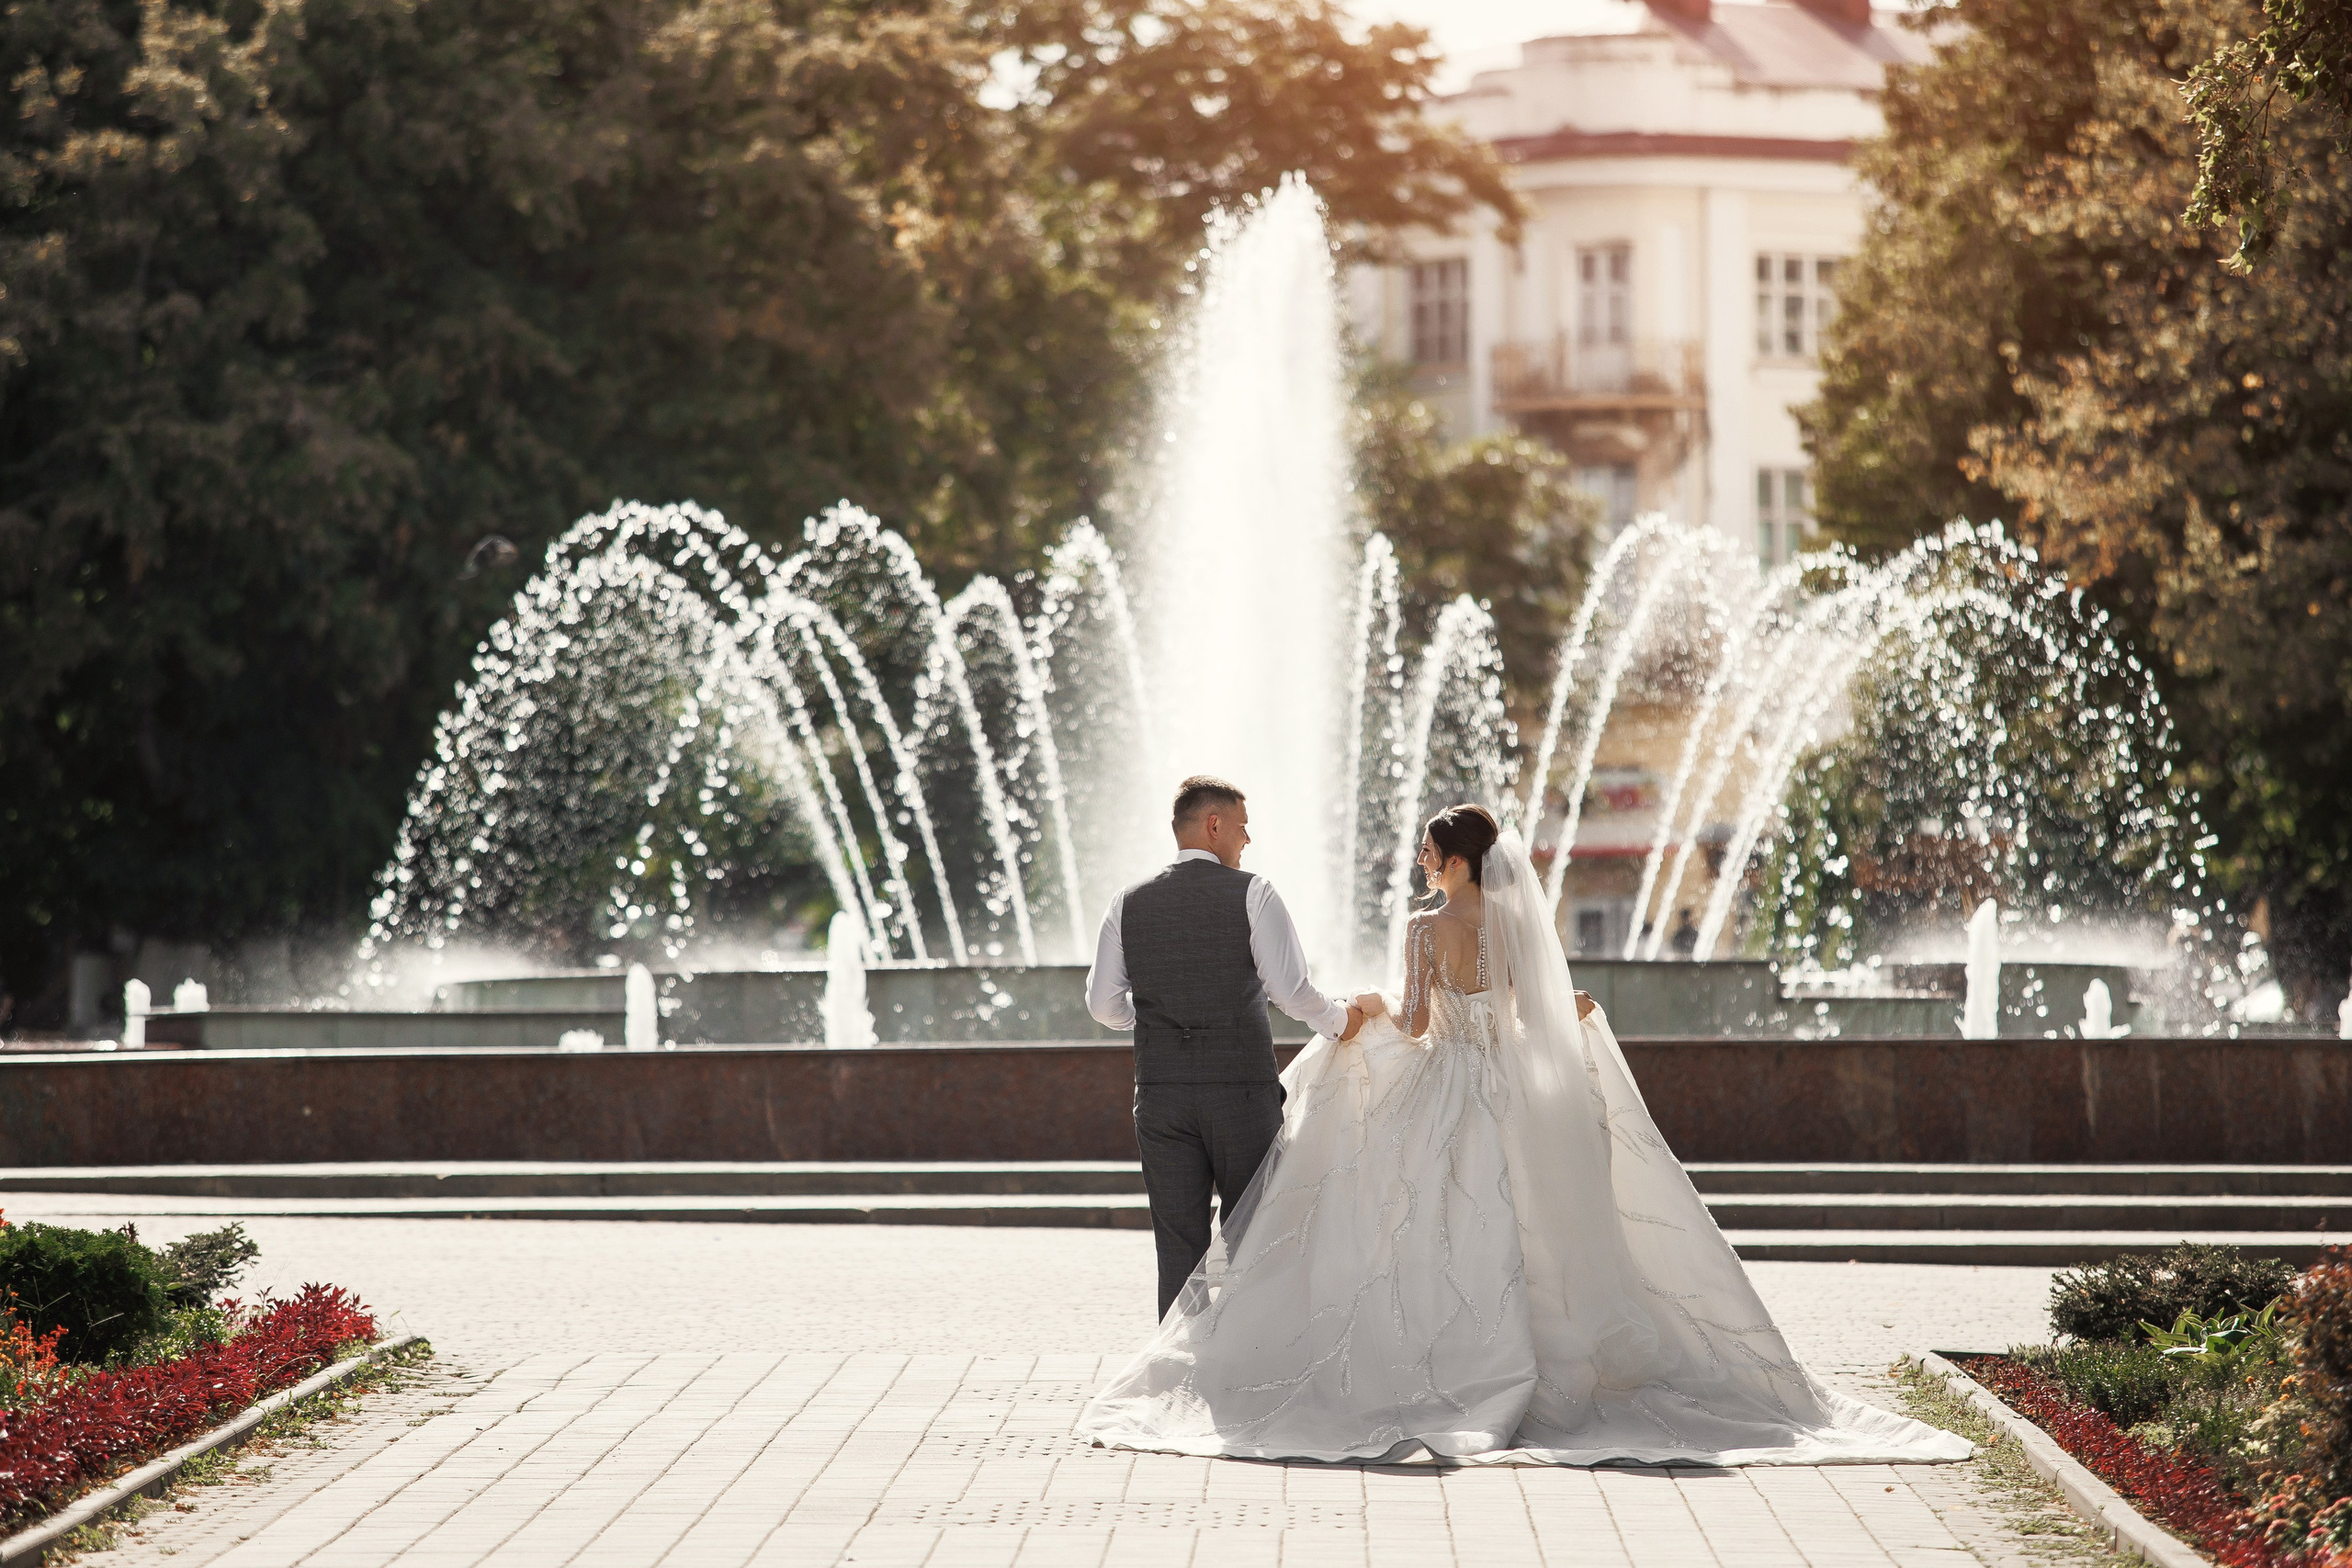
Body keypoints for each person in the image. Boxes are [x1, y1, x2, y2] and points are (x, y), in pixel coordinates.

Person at [1076, 803, 1969, 1468]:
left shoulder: (1425, 928)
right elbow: (1532, 1009)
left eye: (1428, 851)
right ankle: (1539, 1364)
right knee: (1522, 1221)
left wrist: (1367, 1010)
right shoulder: (1512, 924)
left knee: (1427, 1225)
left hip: (1433, 1087)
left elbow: (1417, 1022)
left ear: (1455, 859)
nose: (1421, 863)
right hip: (1504, 1088)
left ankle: (1407, 1360)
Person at [1085, 774, 1367, 1320]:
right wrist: (1341, 1021)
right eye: (1242, 827)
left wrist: (1154, 1018)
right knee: (1255, 1237)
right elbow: (1290, 992)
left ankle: (1180, 1357)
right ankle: (1253, 1352)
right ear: (1214, 826)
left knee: (1177, 1242)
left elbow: (1103, 1006)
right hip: (1241, 1094)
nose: (1247, 839)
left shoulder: (1126, 902)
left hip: (1161, 1095)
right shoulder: (1255, 893)